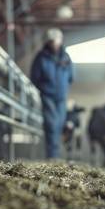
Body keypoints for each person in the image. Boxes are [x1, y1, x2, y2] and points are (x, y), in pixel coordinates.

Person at [30, 28, 74, 159]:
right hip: (48, 95)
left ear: (60, 41)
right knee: (52, 125)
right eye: (51, 41)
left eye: (56, 41)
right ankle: (53, 157)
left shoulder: (66, 57)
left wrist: (64, 89)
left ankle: (55, 154)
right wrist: (45, 89)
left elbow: (71, 76)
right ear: (48, 42)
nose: (54, 43)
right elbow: (35, 77)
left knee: (60, 124)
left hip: (61, 97)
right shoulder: (41, 57)